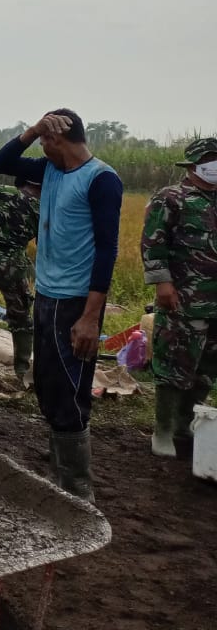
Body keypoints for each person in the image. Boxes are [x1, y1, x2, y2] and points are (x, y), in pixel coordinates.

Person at [0, 110, 123, 501]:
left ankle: (79, 495)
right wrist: (32, 130)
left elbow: (107, 251)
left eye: (43, 139)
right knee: (48, 389)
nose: (40, 146)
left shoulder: (101, 180)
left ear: (57, 141)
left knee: (69, 394)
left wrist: (90, 318)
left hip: (75, 302)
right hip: (47, 295)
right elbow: (2, 163)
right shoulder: (49, 170)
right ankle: (61, 481)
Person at [141, 136, 217, 458]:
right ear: (194, 165)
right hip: (182, 298)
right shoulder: (172, 198)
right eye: (211, 158)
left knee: (207, 367)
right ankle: (163, 430)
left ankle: (188, 421)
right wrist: (162, 284)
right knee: (174, 364)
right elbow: (153, 243)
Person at [0, 175, 42, 382]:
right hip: (13, 262)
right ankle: (22, 369)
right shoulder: (43, 207)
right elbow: (44, 243)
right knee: (21, 316)